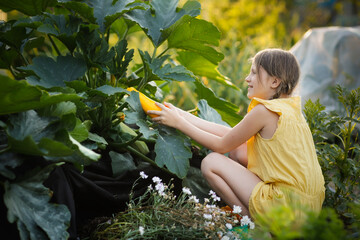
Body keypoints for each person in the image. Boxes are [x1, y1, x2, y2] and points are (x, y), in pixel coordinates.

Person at [147, 48, 325, 219]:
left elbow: (221, 145)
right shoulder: (292, 110)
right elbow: (231, 135)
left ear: (274, 82)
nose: (248, 78)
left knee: (211, 162)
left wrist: (178, 123)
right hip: (306, 211)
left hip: (282, 208)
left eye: (254, 73)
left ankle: (255, 226)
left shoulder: (264, 111)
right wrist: (180, 114)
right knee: (240, 149)